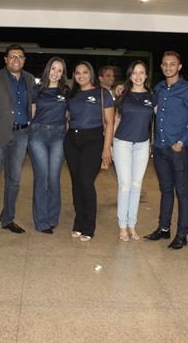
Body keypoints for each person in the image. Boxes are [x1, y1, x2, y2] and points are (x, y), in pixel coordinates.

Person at [145, 51, 188, 249]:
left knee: (182, 191)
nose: (168, 67)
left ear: (179, 67)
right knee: (166, 189)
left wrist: (183, 141)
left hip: (177, 149)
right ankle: (164, 228)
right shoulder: (159, 88)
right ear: (161, 66)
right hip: (160, 148)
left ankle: (182, 234)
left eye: (172, 64)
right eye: (165, 64)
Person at [0, 44, 35, 240]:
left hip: (21, 136)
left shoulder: (29, 79)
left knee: (14, 181)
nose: (16, 59)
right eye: (12, 56)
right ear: (5, 59)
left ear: (24, 60)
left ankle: (8, 219)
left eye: (20, 56)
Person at [65, 61, 114, 241]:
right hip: (72, 140)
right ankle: (79, 221)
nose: (81, 75)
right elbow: (68, 118)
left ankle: (89, 226)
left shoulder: (102, 93)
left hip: (93, 141)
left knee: (86, 182)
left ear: (91, 74)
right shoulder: (72, 94)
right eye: (77, 73)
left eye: (85, 72)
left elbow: (109, 123)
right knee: (76, 183)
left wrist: (106, 148)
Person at [112, 61, 153, 241]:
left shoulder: (152, 96)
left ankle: (132, 225)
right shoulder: (123, 94)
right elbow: (116, 119)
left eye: (141, 72)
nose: (138, 76)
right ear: (130, 75)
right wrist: (110, 145)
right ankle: (122, 226)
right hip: (122, 143)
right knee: (125, 185)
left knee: (136, 186)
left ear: (146, 75)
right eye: (134, 73)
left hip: (142, 145)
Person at [28, 57, 69, 234]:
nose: (55, 73)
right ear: (48, 69)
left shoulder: (66, 91)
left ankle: (52, 218)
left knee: (54, 178)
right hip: (38, 135)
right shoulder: (36, 90)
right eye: (53, 68)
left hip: (59, 136)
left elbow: (69, 115)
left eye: (59, 70)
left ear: (63, 74)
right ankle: (41, 221)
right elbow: (32, 113)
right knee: (42, 177)